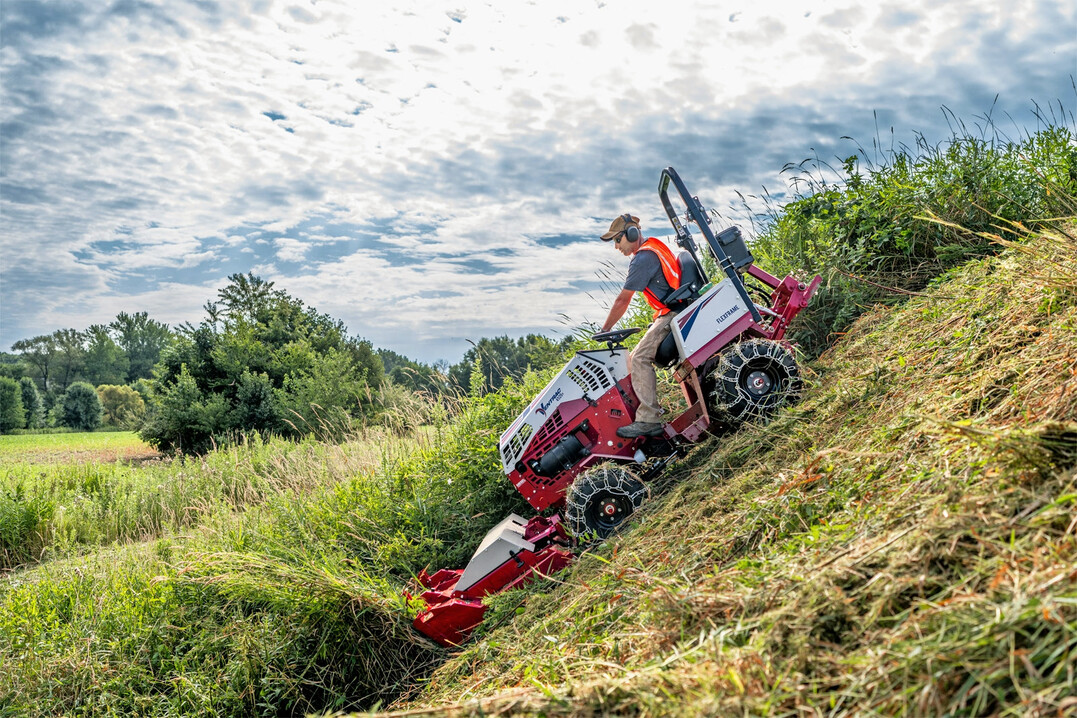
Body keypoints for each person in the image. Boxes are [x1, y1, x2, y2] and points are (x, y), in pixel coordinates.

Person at [599, 213, 682, 438]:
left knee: (639, 358)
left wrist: (604, 330)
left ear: (632, 234)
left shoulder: (643, 258)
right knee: (635, 356)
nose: (616, 247)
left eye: (618, 240)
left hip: (674, 313)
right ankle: (643, 413)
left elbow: (622, 300)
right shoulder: (653, 247)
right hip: (673, 308)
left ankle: (648, 419)